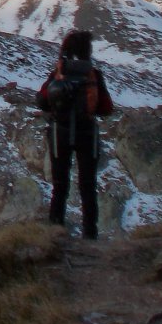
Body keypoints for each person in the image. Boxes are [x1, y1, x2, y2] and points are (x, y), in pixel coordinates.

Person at [36, 29, 115, 238]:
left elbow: (42, 101)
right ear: (87, 51)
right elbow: (106, 107)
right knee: (88, 186)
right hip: (87, 133)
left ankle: (55, 233)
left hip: (59, 133)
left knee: (60, 186)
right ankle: (90, 235)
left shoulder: (58, 73)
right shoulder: (93, 74)